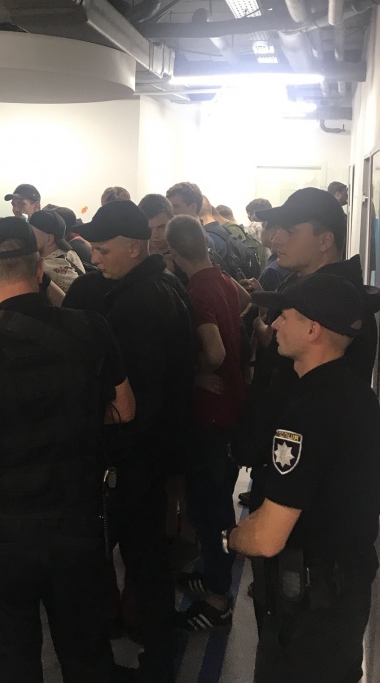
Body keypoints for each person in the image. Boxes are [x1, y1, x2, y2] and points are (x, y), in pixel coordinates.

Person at [0, 216, 136, 683]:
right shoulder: (91, 329)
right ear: (39, 270)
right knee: (89, 660)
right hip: (79, 526)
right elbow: (125, 408)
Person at [228, 274, 380, 683]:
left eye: (286, 316)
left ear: (313, 330)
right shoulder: (357, 396)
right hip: (342, 597)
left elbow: (267, 538)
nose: (276, 324)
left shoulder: (308, 412)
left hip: (307, 613)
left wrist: (233, 537)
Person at [74, 200, 196, 683]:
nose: (95, 258)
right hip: (157, 448)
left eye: (103, 250)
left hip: (136, 453)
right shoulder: (162, 284)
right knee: (148, 555)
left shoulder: (137, 305)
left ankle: (156, 657)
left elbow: (137, 396)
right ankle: (157, 645)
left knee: (142, 557)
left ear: (133, 247)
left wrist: (109, 446)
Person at [165, 215, 246, 632]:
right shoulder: (224, 280)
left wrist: (196, 373)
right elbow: (245, 304)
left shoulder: (196, 291)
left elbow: (213, 352)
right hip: (232, 406)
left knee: (210, 509)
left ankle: (217, 597)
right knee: (216, 500)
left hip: (210, 413)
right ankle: (213, 574)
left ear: (173, 253)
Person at [29, 209, 85, 293]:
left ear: (49, 239)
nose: (28, 238)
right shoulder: (71, 253)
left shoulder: (44, 268)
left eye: (32, 234)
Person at [137, 193, 175, 272]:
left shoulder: (185, 252)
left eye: (161, 227)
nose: (155, 235)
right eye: (149, 229)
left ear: (172, 221)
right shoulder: (134, 255)